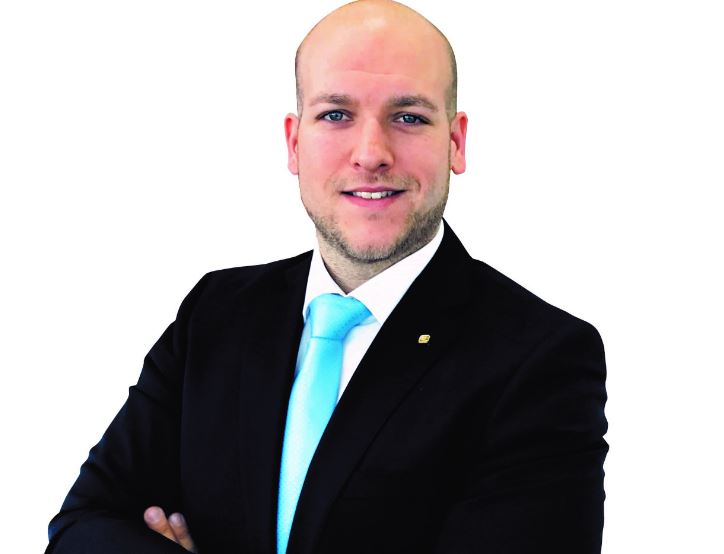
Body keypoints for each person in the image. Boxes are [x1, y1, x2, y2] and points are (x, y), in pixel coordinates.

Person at [46, 1, 608, 552]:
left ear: (455, 143)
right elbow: (83, 526)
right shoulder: (216, 314)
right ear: (294, 143)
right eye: (336, 115)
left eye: (409, 117)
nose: (371, 153)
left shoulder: (541, 359)